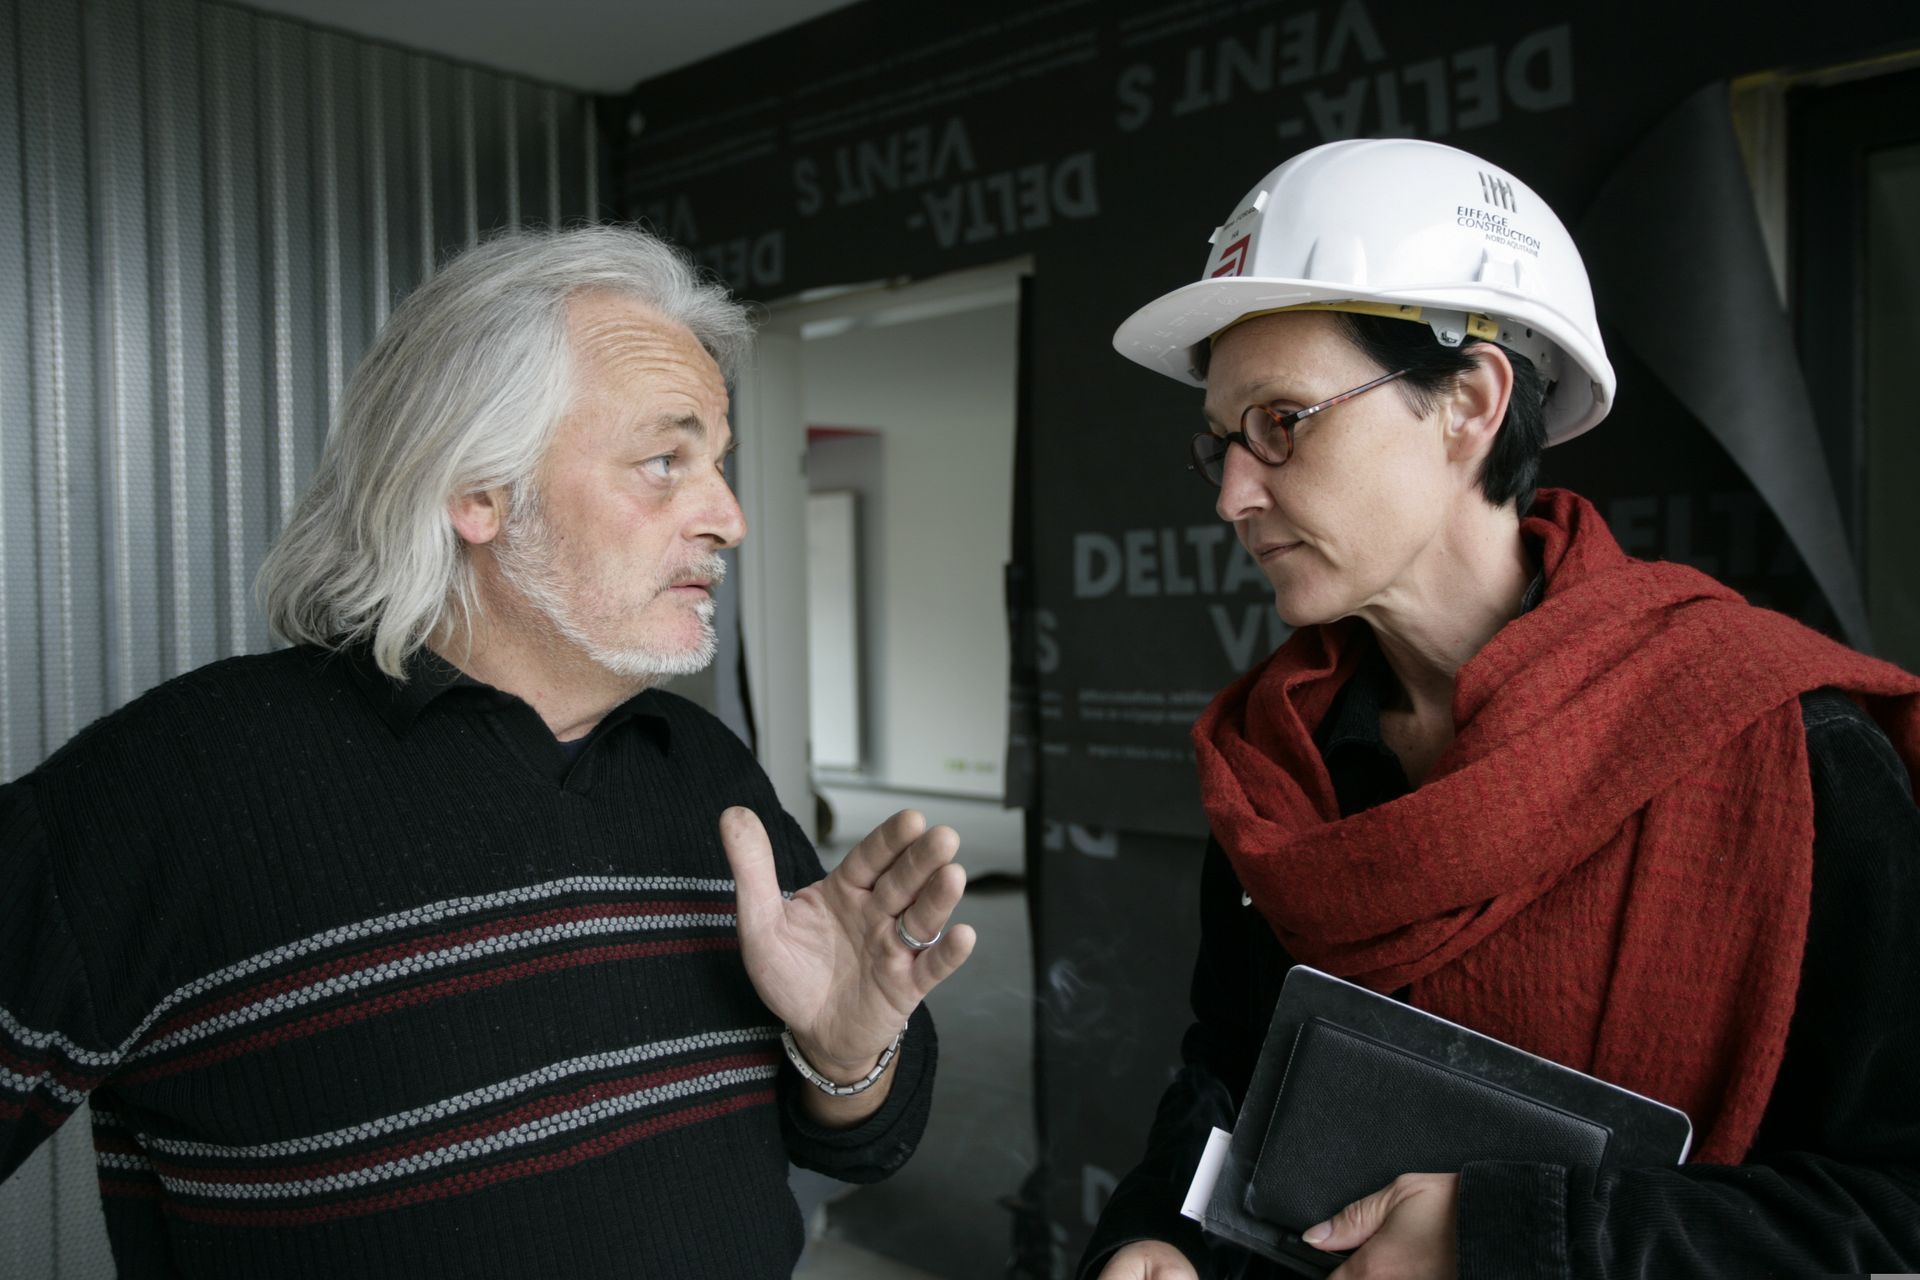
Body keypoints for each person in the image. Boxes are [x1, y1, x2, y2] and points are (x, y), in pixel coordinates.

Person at [0, 225, 976, 1279]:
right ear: (476, 487)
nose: (729, 517)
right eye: (665, 459)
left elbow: (864, 1139)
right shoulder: (167, 786)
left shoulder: (705, 770)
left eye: (720, 464)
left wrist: (843, 1054)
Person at [1080, 138, 1920, 1279]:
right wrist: (1158, 1231)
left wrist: (1513, 1240)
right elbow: (1230, 1071)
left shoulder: (1793, 748)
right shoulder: (1279, 768)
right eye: (1222, 442)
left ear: (1469, 402)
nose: (1235, 493)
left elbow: (1894, 1207)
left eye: (1283, 422)